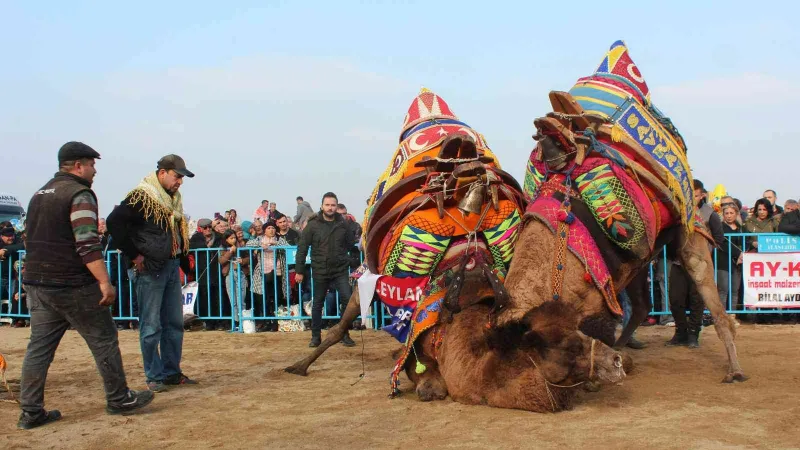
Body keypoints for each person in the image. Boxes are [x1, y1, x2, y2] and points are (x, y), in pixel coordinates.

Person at [17, 142, 154, 429]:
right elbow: (87, 243)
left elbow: (30, 238)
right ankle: (119, 398)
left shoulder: (39, 194)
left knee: (39, 348)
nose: (95, 170)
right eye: (92, 164)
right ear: (78, 166)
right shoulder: (79, 194)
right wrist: (104, 281)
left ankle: (31, 411)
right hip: (72, 283)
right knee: (104, 339)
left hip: (37, 282)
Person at [106, 154, 197, 392]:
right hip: (149, 269)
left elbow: (176, 235)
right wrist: (134, 255)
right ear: (162, 173)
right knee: (151, 325)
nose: (180, 182)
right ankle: (154, 375)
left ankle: (171, 372)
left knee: (174, 323)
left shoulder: (172, 200)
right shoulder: (142, 196)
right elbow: (113, 222)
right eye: (177, 176)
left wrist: (185, 265)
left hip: (168, 265)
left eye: (182, 177)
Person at [295, 192, 357, 348]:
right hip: (320, 269)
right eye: (327, 205)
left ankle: (343, 333)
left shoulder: (343, 224)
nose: (330, 208)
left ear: (337, 206)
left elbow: (350, 245)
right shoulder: (313, 224)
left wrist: (353, 260)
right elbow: (302, 248)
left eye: (333, 205)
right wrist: (299, 270)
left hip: (340, 269)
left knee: (347, 299)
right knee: (318, 303)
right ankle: (316, 336)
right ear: (322, 206)